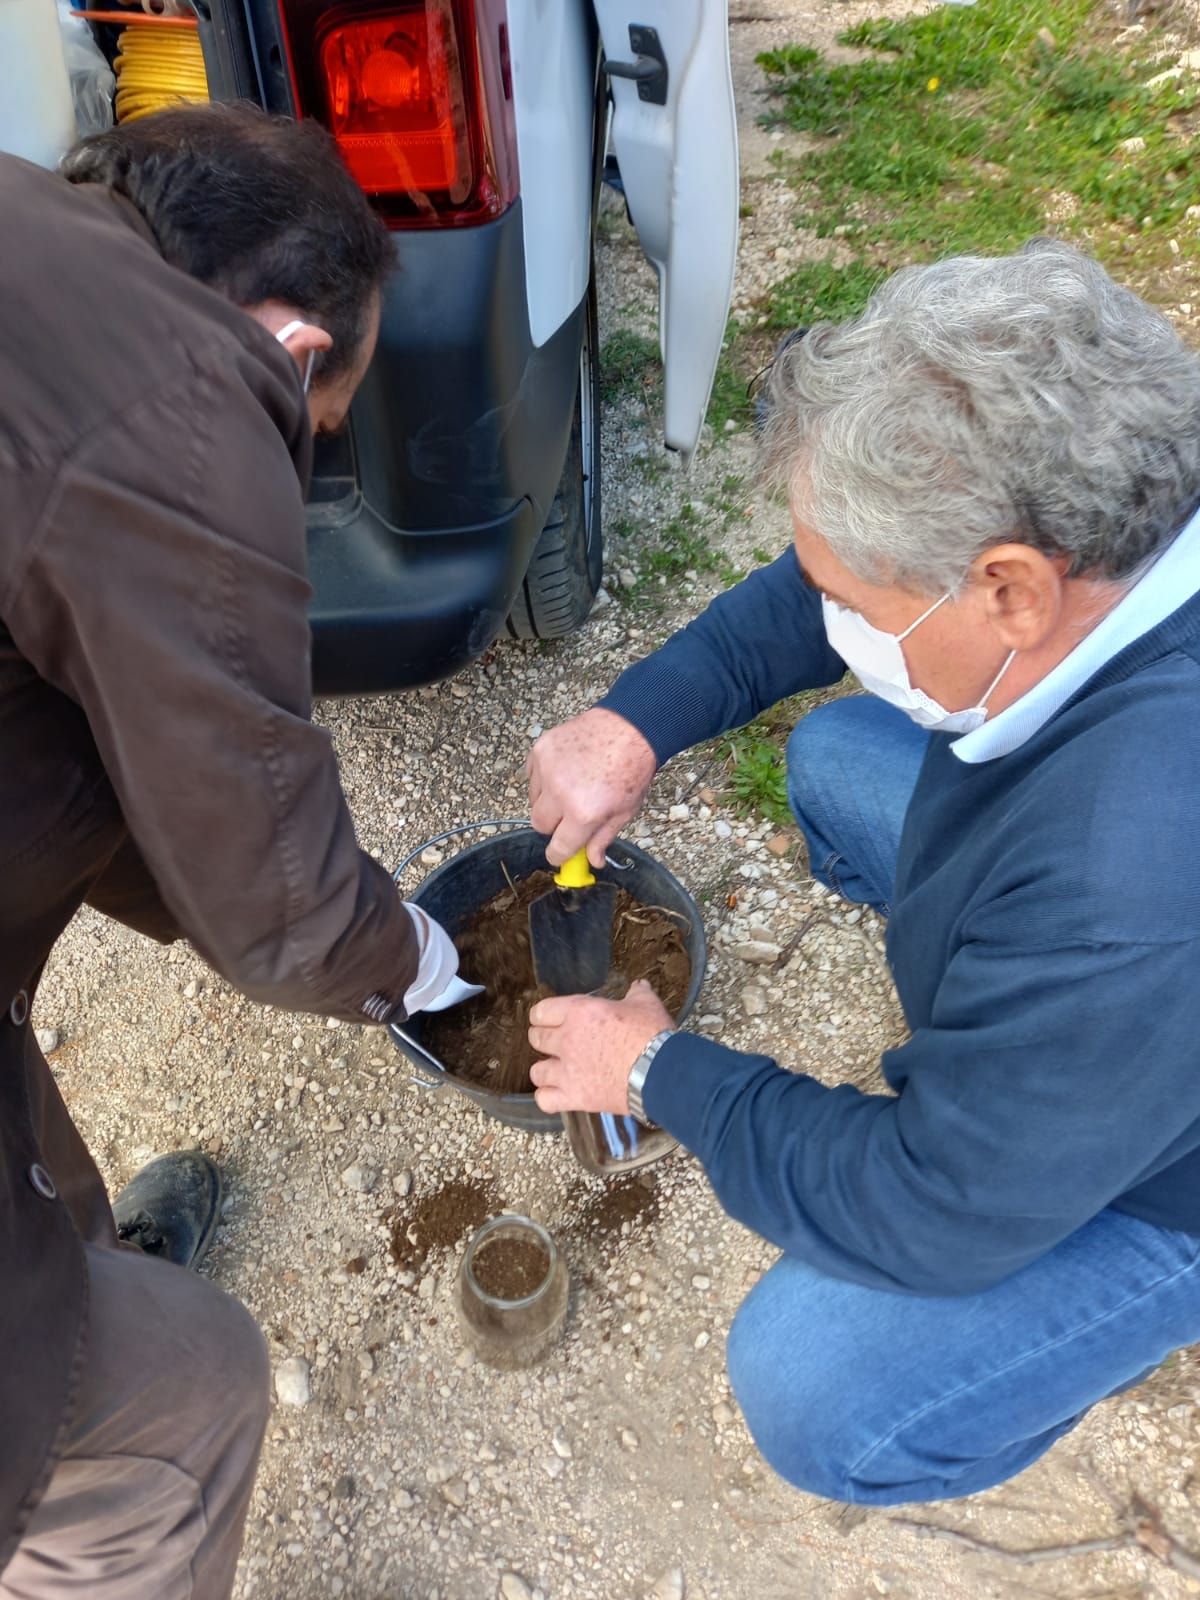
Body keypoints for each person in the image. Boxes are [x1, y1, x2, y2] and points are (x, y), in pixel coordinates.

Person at [525, 239, 1200, 1505]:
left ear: (1012, 589)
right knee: (839, 756)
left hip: (1171, 1162)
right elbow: (808, 589)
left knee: (813, 1381)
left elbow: (931, 1205)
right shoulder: (1128, 517)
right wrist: (639, 722)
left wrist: (658, 1069)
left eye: (851, 599)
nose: (826, 619)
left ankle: (1056, 1349)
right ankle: (1014, 1042)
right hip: (1106, 946)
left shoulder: (1128, 885)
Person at [0, 105, 465, 1596]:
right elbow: (275, 899)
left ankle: (76, 1277)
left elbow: (110, 772)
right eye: (318, 435)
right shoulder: (183, 394)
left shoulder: (33, 249)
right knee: (194, 1389)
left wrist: (249, 895)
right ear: (292, 339)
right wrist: (401, 955)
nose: (302, 470)